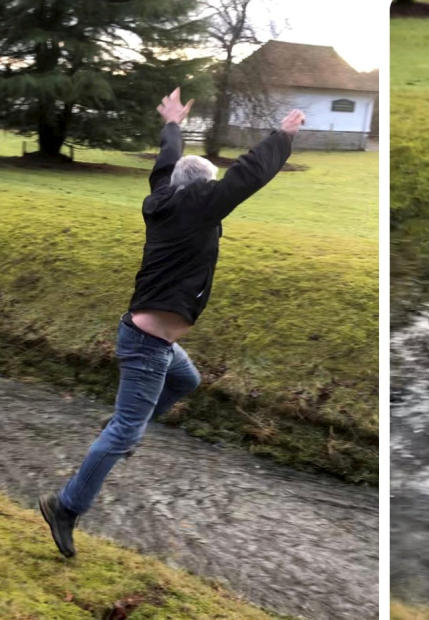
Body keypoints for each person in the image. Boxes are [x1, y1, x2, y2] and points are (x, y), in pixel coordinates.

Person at [39, 88, 306, 558]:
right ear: (202, 190)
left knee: (187, 379)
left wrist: (173, 125)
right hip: (147, 344)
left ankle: (125, 430)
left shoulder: (164, 200)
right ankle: (66, 506)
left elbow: (166, 163)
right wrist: (280, 138)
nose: (215, 192)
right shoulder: (197, 206)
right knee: (125, 428)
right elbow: (245, 177)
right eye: (211, 186)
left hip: (150, 339)